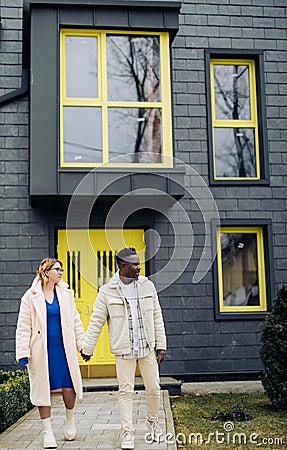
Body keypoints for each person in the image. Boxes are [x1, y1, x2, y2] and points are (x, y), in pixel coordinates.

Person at [81, 247, 167, 450]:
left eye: (139, 263)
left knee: (154, 388)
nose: (139, 267)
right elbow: (96, 321)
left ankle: (152, 423)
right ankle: (127, 433)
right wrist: (88, 347)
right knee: (125, 391)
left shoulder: (148, 286)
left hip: (147, 348)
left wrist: (161, 345)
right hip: (124, 350)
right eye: (135, 264)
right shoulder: (107, 291)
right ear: (123, 266)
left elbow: (157, 317)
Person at [16, 258, 85, 449]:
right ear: (46, 272)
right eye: (58, 269)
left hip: (64, 349)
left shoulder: (66, 294)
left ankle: (70, 421)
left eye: (62, 269)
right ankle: (47, 431)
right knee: (42, 390)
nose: (61, 272)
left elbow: (76, 321)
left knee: (69, 386)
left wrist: (83, 345)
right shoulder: (30, 296)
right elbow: (23, 326)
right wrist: (23, 351)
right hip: (41, 350)